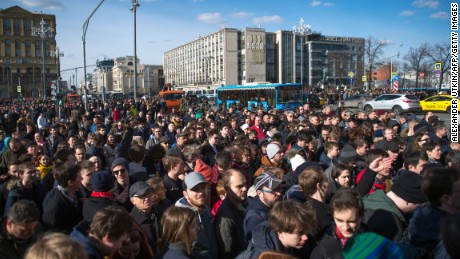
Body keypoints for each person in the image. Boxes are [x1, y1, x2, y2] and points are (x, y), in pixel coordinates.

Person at [238, 200, 316, 259]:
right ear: (280, 232)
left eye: (306, 231)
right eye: (300, 233)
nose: (305, 237)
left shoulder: (298, 247)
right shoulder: (262, 256)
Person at [363, 172, 426, 241]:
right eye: (419, 205)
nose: (418, 209)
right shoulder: (392, 226)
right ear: (408, 201)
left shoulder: (371, 199)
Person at [311, 187, 366, 258]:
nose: (345, 227)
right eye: (339, 220)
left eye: (351, 221)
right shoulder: (322, 249)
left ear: (361, 217)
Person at [175, 172, 218, 259]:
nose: (201, 192)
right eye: (195, 189)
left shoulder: (205, 208)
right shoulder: (181, 218)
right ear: (185, 194)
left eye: (203, 187)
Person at [215, 169, 248, 259]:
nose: (245, 189)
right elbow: (227, 252)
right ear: (227, 189)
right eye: (239, 186)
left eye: (245, 184)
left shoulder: (244, 203)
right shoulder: (226, 217)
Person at [42, 163, 83, 233]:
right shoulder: (53, 208)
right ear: (70, 183)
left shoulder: (77, 194)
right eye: (79, 177)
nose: (82, 178)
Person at [243, 172, 283, 242]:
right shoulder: (254, 218)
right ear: (259, 193)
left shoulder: (274, 205)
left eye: (279, 188)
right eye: (273, 191)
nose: (279, 193)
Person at [129, 181, 160, 253]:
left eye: (149, 194)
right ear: (133, 200)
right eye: (142, 196)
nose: (147, 198)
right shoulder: (131, 223)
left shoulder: (161, 212)